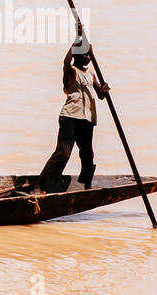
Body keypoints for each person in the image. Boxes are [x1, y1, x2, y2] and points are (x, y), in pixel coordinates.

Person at [36, 35, 110, 192]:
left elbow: (100, 96)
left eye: (90, 55)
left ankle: (86, 183)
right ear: (76, 54)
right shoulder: (71, 71)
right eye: (85, 54)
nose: (89, 58)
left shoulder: (90, 73)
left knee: (88, 155)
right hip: (70, 117)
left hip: (87, 119)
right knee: (63, 154)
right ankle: (41, 185)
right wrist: (77, 41)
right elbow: (65, 62)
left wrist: (103, 90)